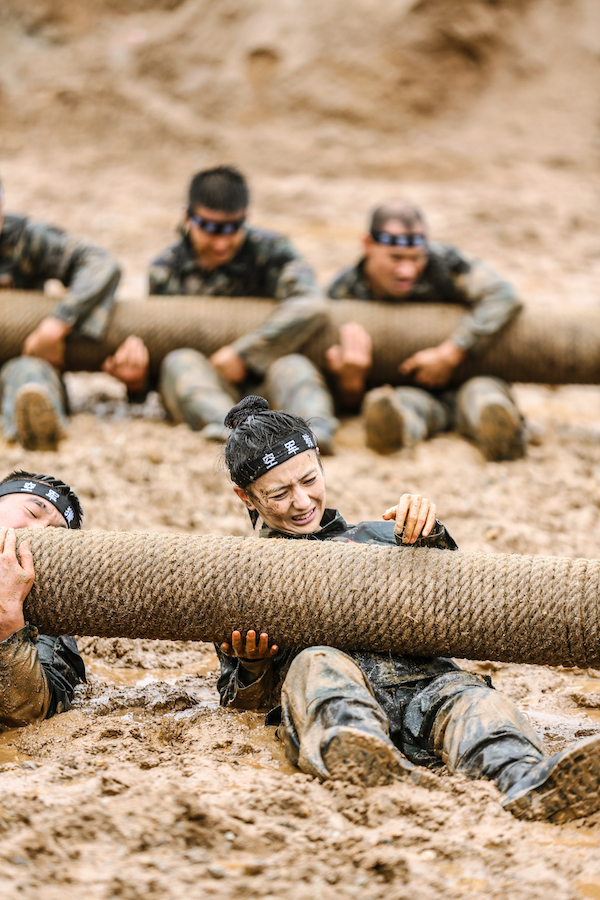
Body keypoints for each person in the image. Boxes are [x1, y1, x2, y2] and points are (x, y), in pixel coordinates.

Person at [216, 396, 600, 823]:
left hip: (428, 686)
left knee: (477, 706)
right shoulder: (244, 579)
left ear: (320, 462)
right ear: (245, 497)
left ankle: (526, 780)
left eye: (309, 479)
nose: (303, 501)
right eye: (279, 493)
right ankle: (362, 757)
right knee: (316, 662)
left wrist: (429, 535)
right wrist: (252, 667)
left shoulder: (380, 536)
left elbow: (460, 596)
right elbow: (238, 705)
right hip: (341, 697)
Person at [146, 166, 338, 451]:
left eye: (232, 228)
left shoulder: (273, 251)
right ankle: (237, 438)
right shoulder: (165, 269)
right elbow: (160, 343)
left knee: (294, 367)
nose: (222, 241)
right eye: (210, 228)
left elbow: (311, 304)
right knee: (179, 362)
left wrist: (245, 355)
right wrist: (136, 381)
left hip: (268, 382)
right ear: (188, 216)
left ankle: (314, 435)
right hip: (210, 383)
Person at [326, 202, 526, 461]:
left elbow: (503, 294)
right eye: (395, 258)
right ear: (368, 245)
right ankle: (397, 433)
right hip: (405, 389)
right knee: (397, 408)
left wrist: (451, 352)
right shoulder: (342, 292)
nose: (407, 270)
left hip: (465, 377)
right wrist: (351, 382)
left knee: (484, 397)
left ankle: (502, 435)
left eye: (416, 258)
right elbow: (342, 399)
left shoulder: (444, 264)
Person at [0, 176, 143, 449]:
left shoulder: (21, 238)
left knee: (30, 375)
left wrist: (56, 324)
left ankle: (38, 431)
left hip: (20, 359)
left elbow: (99, 263)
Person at [0, 470, 86, 729]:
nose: (39, 532)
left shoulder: (49, 628)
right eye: (33, 512)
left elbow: (26, 712)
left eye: (56, 533)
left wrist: (8, 616)